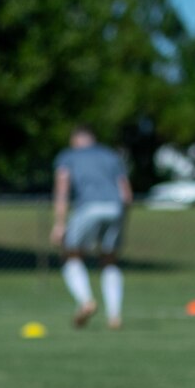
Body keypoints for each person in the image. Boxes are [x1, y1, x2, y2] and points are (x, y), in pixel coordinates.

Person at [50, 126, 132, 329]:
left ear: (75, 140)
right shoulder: (111, 156)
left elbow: (62, 191)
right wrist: (122, 223)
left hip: (88, 207)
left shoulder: (68, 157)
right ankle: (114, 315)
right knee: (109, 259)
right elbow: (127, 195)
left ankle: (86, 301)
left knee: (71, 255)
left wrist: (60, 224)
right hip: (116, 208)